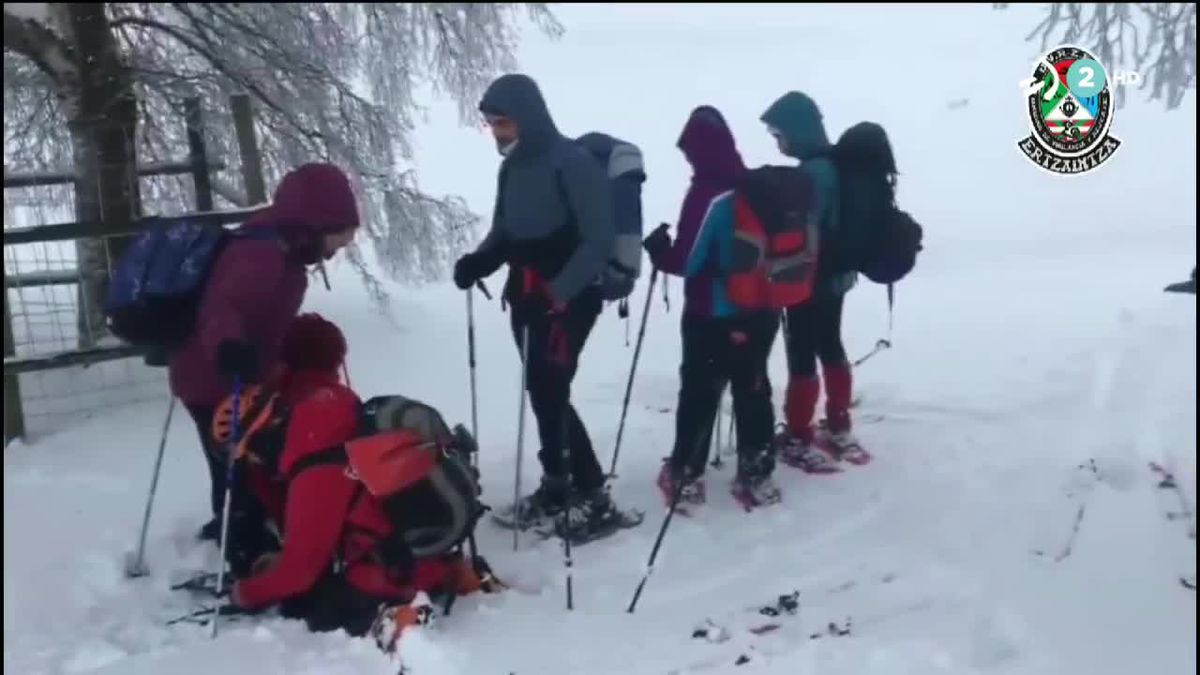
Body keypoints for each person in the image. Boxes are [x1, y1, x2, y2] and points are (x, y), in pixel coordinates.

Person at [226, 314, 490, 645]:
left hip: (384, 567)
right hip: (405, 546)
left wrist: (243, 594)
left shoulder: (314, 432)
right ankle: (449, 573)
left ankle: (405, 616)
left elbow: (300, 571)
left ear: (285, 364)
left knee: (311, 604)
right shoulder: (342, 404)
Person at [452, 73, 638, 542]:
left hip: (569, 301)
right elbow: (506, 231)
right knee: (541, 390)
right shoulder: (512, 169)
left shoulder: (573, 164)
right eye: (491, 125)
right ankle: (557, 485)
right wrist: (480, 261)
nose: (497, 133)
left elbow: (597, 240)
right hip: (526, 296)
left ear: (528, 119)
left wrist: (557, 294)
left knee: (551, 390)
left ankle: (594, 495)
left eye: (504, 124)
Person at [168, 162, 360, 550]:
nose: (335, 250)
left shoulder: (280, 248)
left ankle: (232, 525)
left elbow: (264, 314)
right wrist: (230, 347)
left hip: (231, 374)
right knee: (239, 464)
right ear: (313, 223)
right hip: (214, 378)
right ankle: (243, 546)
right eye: (336, 239)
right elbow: (221, 307)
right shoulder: (261, 254)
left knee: (233, 461)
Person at [644, 107, 785, 510]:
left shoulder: (709, 194)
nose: (689, 161)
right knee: (753, 388)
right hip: (763, 308)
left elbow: (687, 261)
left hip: (713, 312)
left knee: (700, 391)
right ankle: (756, 474)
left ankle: (686, 473)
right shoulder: (756, 186)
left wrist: (659, 252)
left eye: (690, 153)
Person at [760, 92, 870, 470]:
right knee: (831, 344)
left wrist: (780, 270)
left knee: (801, 352)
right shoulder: (837, 164)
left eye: (780, 135)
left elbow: (805, 229)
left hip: (810, 278)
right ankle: (838, 423)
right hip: (839, 275)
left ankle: (799, 433)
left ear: (798, 131)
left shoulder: (812, 174)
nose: (779, 143)